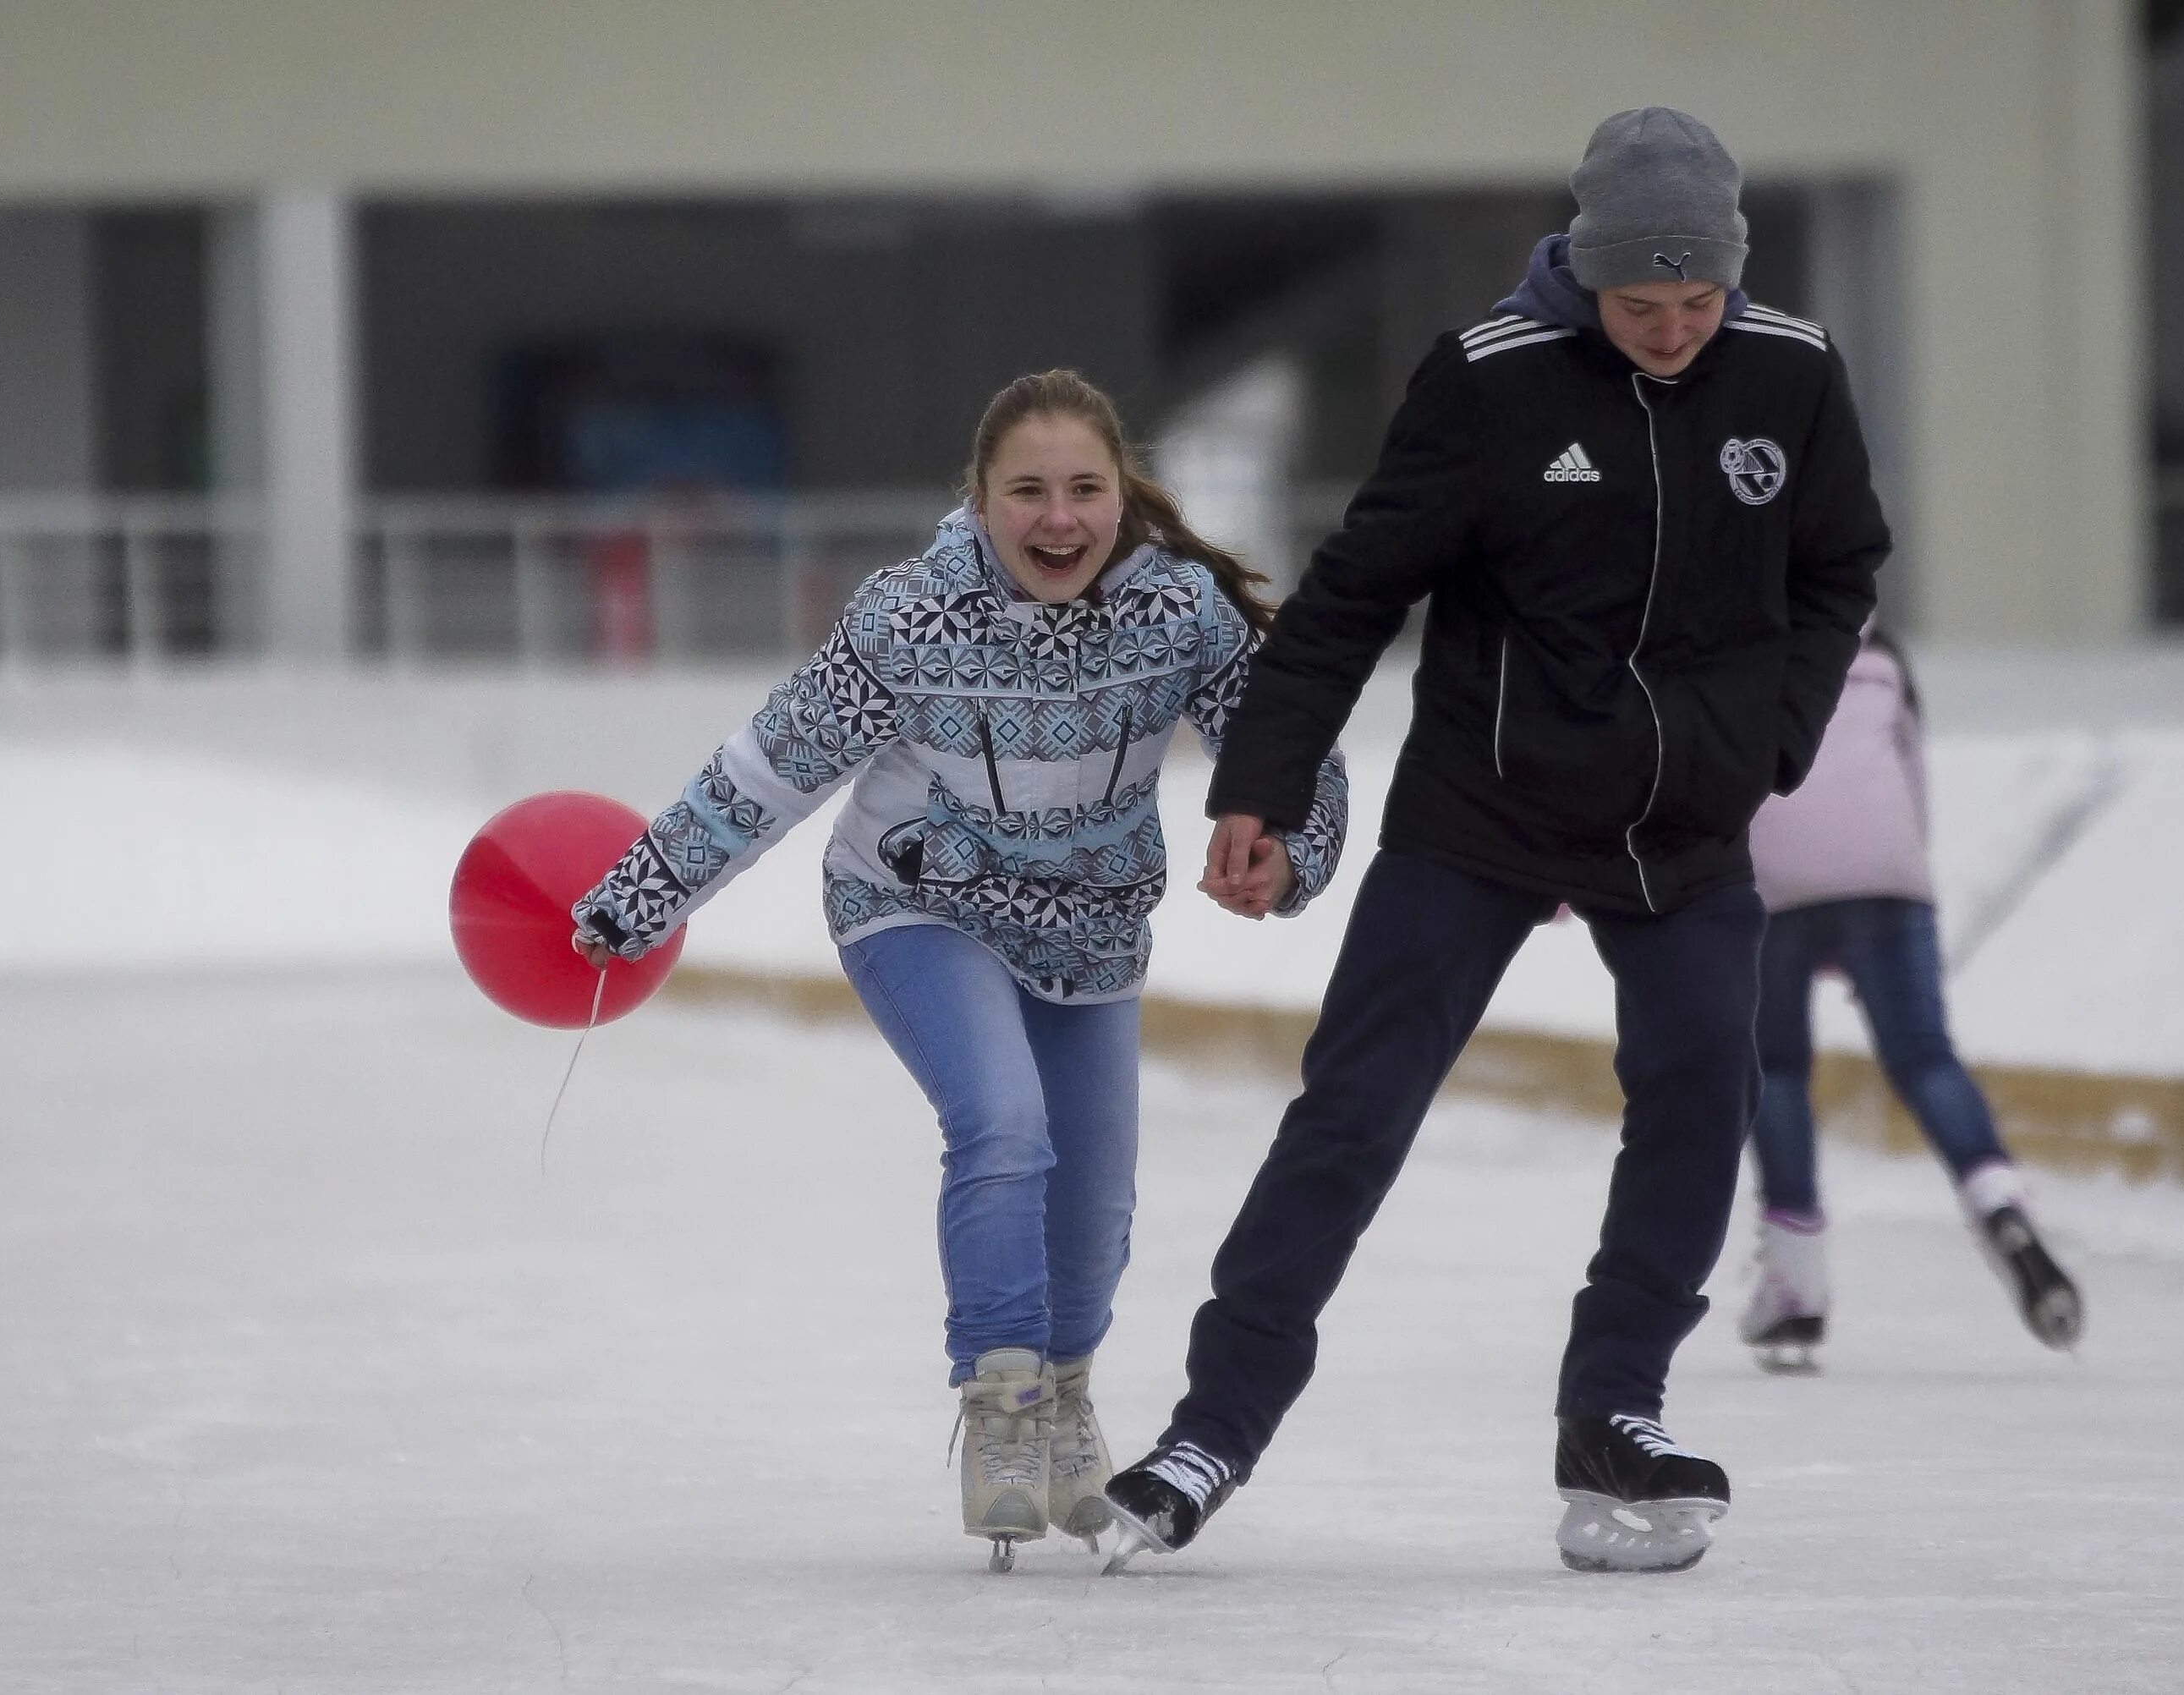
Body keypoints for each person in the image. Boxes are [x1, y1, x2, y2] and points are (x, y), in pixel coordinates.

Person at [1099, 107, 1890, 1577]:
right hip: (1488, 803)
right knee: (1356, 1106)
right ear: (1583, 275)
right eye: (1638, 304)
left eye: (1697, 301)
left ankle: (1616, 1406)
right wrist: (1255, 787)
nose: (1670, 331)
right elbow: (1348, 598)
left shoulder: (1792, 370)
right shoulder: (1491, 382)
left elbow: (1842, 561)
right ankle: (1216, 1421)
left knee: (1701, 1089)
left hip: (1688, 819)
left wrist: (1771, 733)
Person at [567, 370, 1348, 1572]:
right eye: (1026, 491)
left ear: (1120, 496)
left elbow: (1292, 741)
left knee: (1094, 1215)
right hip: (913, 903)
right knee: (1002, 1125)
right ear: (979, 502)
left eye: (1084, 489)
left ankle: (1067, 1385)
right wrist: (644, 889)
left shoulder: (1178, 613)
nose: (1058, 519)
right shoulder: (908, 615)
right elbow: (767, 768)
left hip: (1089, 935)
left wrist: (1287, 850)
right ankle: (1002, 1409)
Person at [1737, 628, 2084, 1370]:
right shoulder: (1883, 659)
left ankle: (1796, 1285)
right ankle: (1999, 1204)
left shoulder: (1730, 637)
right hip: (1890, 877)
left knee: (1776, 1066)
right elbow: (1910, 783)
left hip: (1774, 878)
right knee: (1925, 1057)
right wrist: (1884, 902)